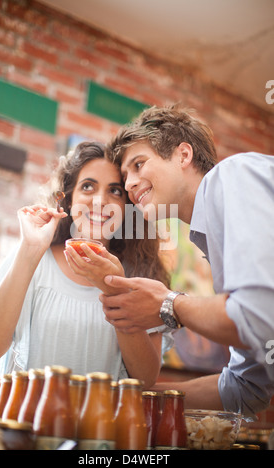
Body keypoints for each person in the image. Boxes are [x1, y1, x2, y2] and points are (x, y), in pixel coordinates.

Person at [100, 104, 274, 419]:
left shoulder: (233, 174)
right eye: (125, 177)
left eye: (139, 164)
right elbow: (244, 388)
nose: (128, 184)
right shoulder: (212, 236)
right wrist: (123, 403)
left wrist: (168, 305)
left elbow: (258, 317)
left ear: (183, 155)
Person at [0, 142, 170, 389]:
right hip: (26, 423)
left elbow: (145, 380)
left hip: (99, 426)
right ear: (69, 199)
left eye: (115, 191)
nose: (100, 201)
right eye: (88, 186)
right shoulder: (32, 257)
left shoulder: (141, 275)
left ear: (127, 207)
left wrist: (114, 290)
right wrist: (30, 251)